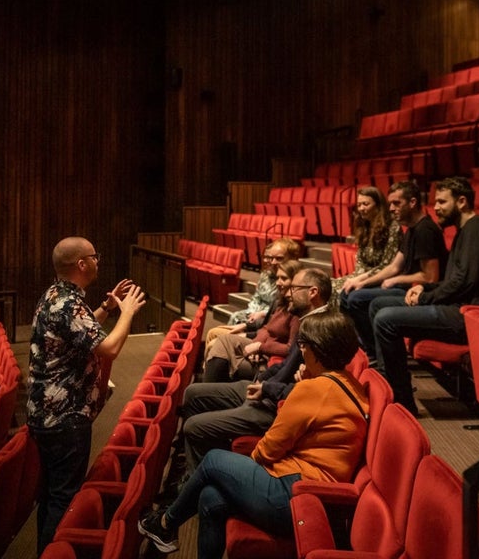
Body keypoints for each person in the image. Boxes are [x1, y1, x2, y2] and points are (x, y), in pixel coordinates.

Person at [138, 311, 368, 559]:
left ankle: (165, 524)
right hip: (310, 492)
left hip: (297, 494)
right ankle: (166, 528)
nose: (301, 351)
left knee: (215, 459)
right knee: (210, 497)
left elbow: (269, 448)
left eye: (303, 345)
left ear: (317, 349)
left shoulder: (314, 390)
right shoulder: (347, 383)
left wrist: (252, 462)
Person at [26, 236, 148, 554]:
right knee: (63, 498)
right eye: (96, 257)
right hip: (63, 417)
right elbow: (108, 348)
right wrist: (127, 313)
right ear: (82, 264)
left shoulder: (57, 294)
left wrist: (108, 307)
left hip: (48, 412)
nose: (98, 261)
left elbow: (81, 331)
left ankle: (46, 551)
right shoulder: (67, 303)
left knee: (53, 495)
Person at [370, 177, 479, 414]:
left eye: (442, 202)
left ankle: (401, 401)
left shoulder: (478, 229)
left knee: (386, 319)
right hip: (454, 306)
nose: (437, 208)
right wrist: (424, 288)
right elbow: (454, 280)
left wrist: (424, 297)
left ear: (462, 201)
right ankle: (388, 383)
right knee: (377, 305)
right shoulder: (464, 230)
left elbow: (465, 283)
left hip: (467, 315)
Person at [179, 267, 331, 477]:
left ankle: (196, 483)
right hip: (268, 389)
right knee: (193, 393)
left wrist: (266, 388)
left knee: (194, 426)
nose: (288, 293)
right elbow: (287, 365)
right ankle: (198, 459)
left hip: (274, 406)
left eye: (294, 288)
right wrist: (262, 378)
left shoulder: (322, 330)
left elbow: (307, 391)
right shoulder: (309, 321)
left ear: (313, 292)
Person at [339, 180, 447, 356]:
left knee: (356, 299)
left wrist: (395, 279)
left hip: (418, 291)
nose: (390, 208)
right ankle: (368, 348)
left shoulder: (425, 230)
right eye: (389, 204)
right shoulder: (411, 229)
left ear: (412, 203)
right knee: (349, 293)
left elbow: (430, 277)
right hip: (404, 286)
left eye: (396, 203)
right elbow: (394, 266)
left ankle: (373, 352)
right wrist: (364, 282)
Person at [201, 259, 303, 382]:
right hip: (261, 345)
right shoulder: (281, 302)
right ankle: (208, 387)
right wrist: (256, 343)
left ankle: (207, 389)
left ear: (296, 282)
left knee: (219, 346)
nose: (278, 282)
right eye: (277, 278)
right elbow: (267, 329)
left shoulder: (296, 312)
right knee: (222, 339)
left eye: (284, 278)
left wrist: (260, 347)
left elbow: (290, 349)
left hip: (269, 359)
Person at [330, 186, 401, 309]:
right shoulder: (364, 227)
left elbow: (387, 265)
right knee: (328, 286)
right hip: (361, 275)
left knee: (340, 290)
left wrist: (359, 279)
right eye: (359, 205)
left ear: (378, 205)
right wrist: (356, 277)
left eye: (365, 204)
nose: (361, 208)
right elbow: (360, 261)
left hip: (380, 279)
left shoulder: (393, 228)